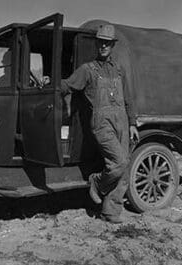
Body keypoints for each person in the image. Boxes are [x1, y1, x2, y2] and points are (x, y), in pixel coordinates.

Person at [61, 24, 139, 223]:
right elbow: (68, 85)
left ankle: (110, 212)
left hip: (121, 120)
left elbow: (129, 98)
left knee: (125, 167)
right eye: (100, 42)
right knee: (119, 162)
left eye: (107, 43)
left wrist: (132, 123)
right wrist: (50, 84)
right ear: (96, 44)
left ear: (112, 45)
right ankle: (97, 182)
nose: (103, 46)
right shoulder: (87, 70)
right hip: (101, 122)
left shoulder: (119, 70)